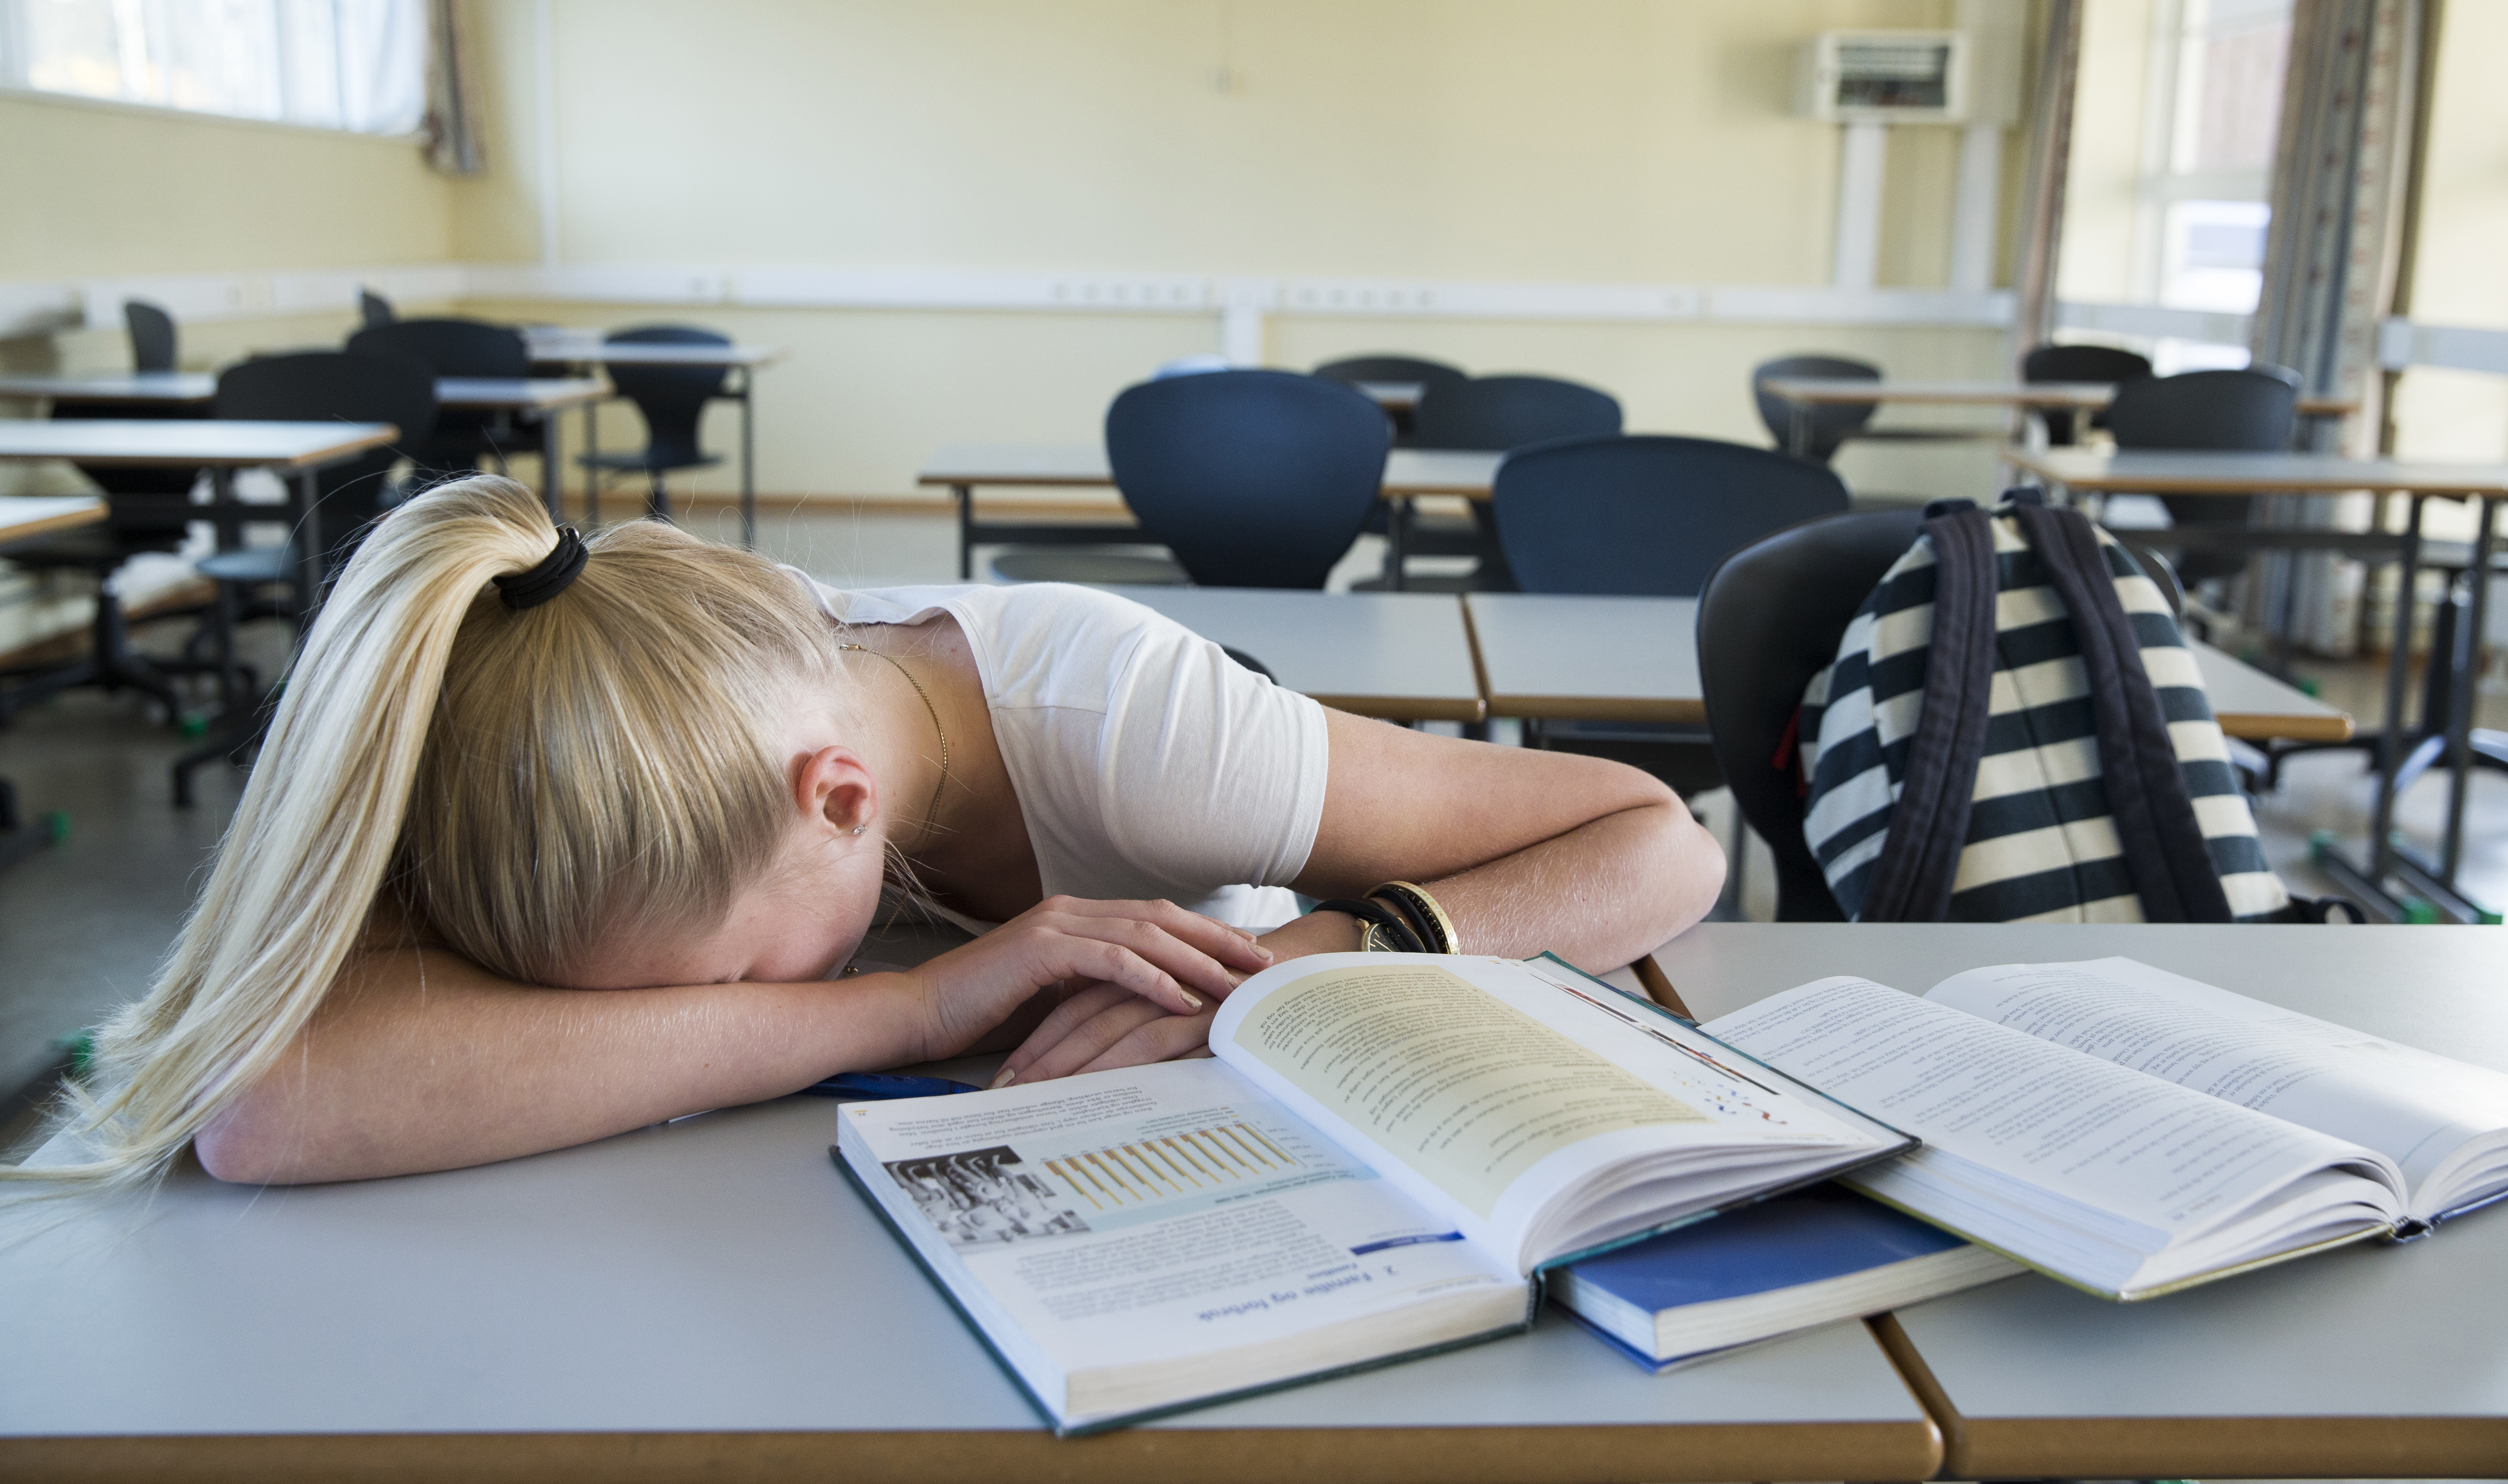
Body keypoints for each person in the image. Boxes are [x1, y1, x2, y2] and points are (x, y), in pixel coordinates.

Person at [16, 475, 1721, 1192]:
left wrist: (1298, 962)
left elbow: (1657, 842)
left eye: (725, 973)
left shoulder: (1131, 732)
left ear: (837, 805)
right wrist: (910, 1005)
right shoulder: (572, 716)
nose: (695, 1019)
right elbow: (257, 1104)